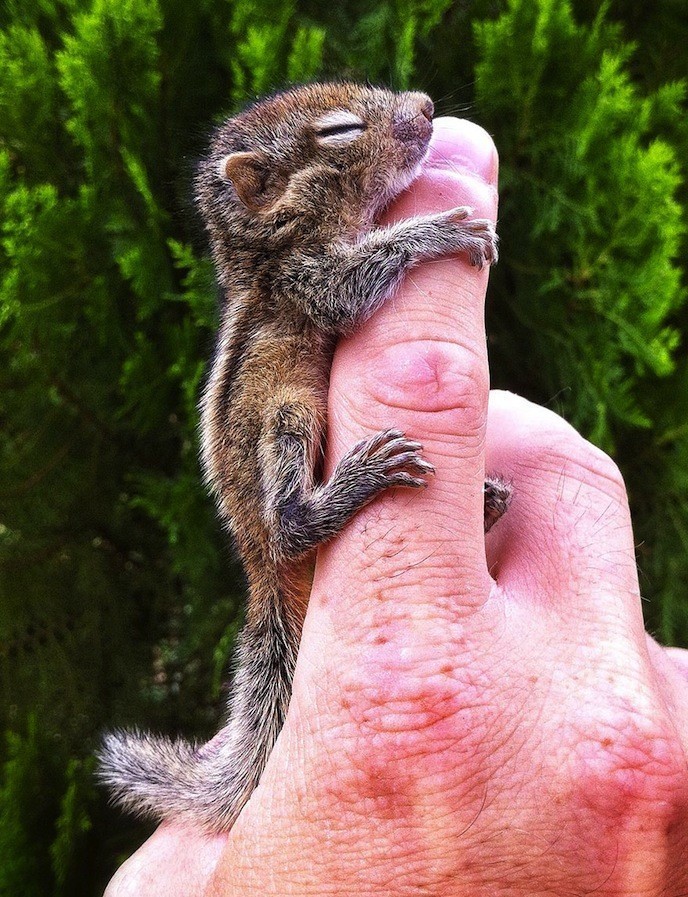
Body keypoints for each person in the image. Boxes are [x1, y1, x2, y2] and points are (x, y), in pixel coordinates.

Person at [104, 118, 688, 896]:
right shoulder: (291, 278)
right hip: (289, 494)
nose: (408, 109)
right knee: (293, 428)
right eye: (346, 129)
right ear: (263, 189)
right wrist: (427, 238)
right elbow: (340, 290)